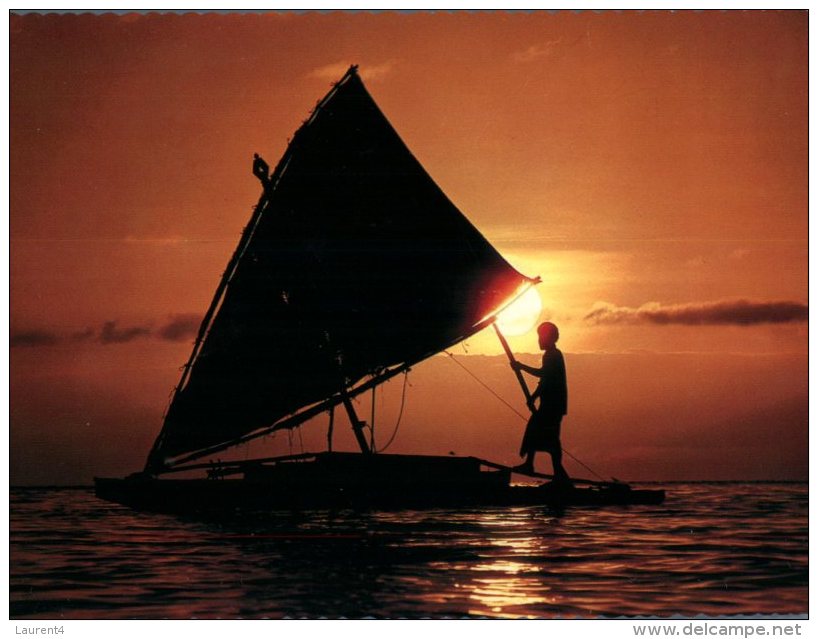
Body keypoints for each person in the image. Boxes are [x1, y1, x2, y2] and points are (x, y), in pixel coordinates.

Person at [511, 321, 571, 484]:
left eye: (541, 337)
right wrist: (533, 397)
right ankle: (552, 471)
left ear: (549, 338)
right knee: (543, 433)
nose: (539, 341)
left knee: (543, 433)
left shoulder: (554, 355)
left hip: (554, 405)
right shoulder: (549, 355)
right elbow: (545, 380)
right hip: (550, 403)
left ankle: (551, 471)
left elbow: (544, 374)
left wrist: (521, 366)